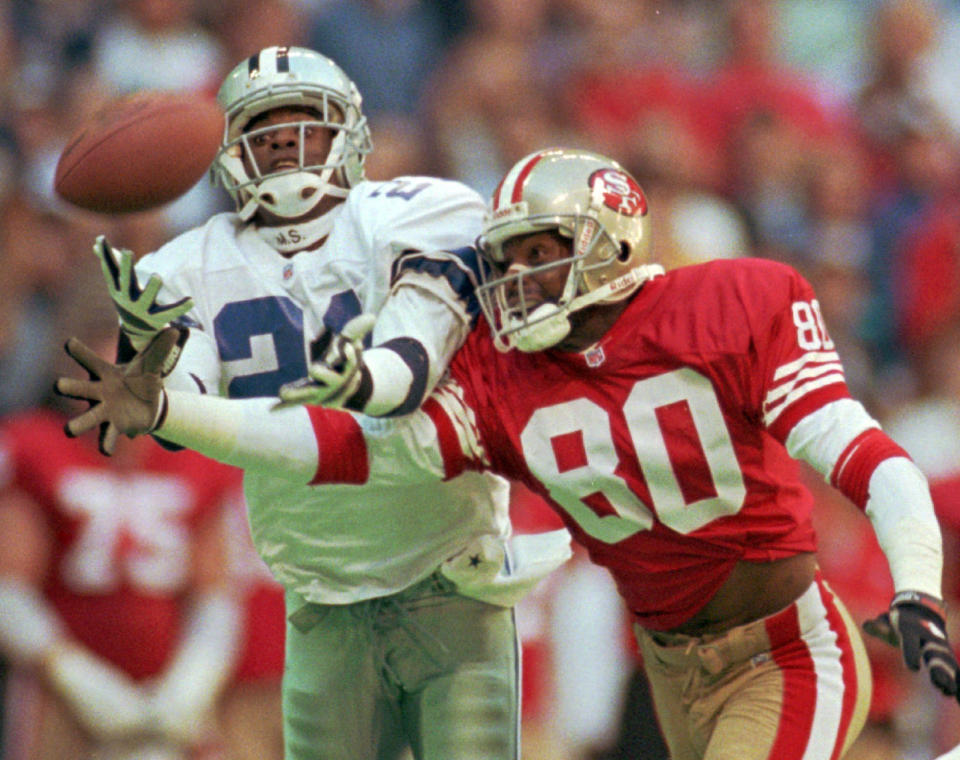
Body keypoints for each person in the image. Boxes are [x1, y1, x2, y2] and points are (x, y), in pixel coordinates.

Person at [56, 147, 959, 759]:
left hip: (786, 647)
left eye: (539, 251)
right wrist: (177, 408)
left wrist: (915, 580)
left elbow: (865, 454)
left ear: (609, 239)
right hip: (669, 661)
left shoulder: (734, 301)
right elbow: (345, 450)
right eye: (506, 257)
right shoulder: (499, 374)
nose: (516, 277)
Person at [83, 45, 569, 760]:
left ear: (350, 132)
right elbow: (180, 418)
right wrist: (158, 387)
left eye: (302, 121)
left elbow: (407, 365)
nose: (283, 139)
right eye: (263, 125)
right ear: (229, 152)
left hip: (448, 574)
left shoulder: (420, 212)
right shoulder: (183, 265)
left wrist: (364, 381)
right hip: (318, 590)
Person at [0, 310, 243, 760]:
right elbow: (9, 589)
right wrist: (73, 674)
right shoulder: (38, 447)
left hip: (166, 694)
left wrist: (191, 684)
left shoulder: (197, 459)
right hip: (62, 700)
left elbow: (215, 595)